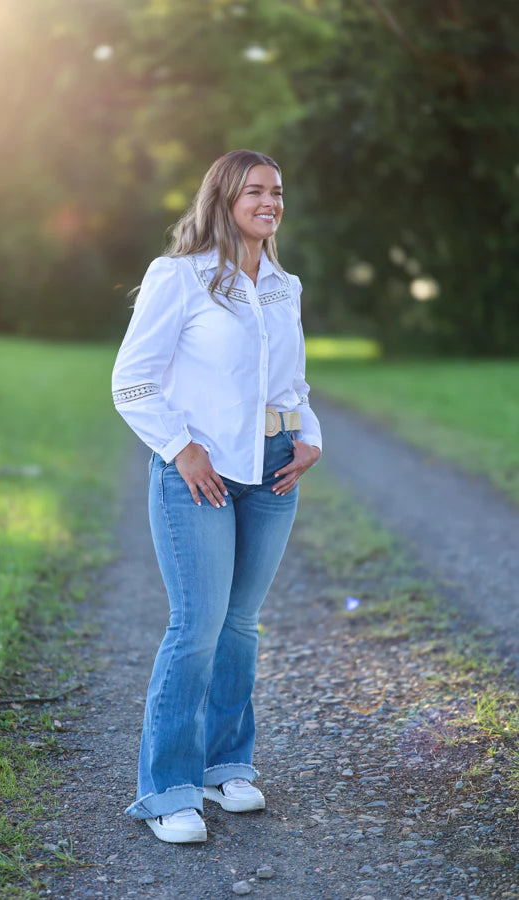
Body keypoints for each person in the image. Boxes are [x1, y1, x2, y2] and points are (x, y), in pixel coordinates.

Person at [111, 149, 322, 844]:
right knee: (197, 626)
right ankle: (167, 788)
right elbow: (132, 381)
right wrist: (182, 447)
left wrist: (308, 433)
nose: (271, 202)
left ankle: (224, 763)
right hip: (197, 470)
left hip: (272, 467)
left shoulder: (283, 286)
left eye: (278, 192)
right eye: (256, 190)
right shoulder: (180, 277)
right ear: (224, 198)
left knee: (240, 624)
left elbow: (292, 384)